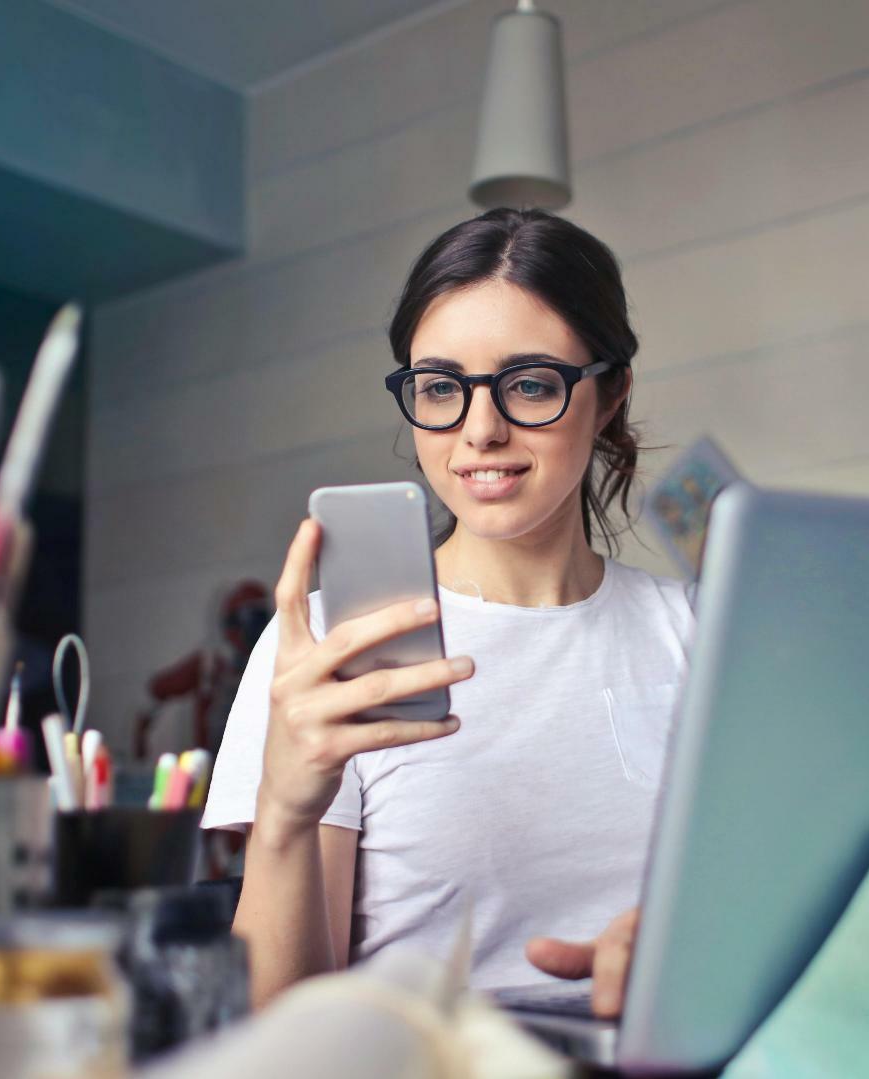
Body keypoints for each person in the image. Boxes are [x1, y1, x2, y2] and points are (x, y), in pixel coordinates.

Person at [203, 208, 695, 1019]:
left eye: (530, 383)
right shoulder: (331, 647)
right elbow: (280, 1037)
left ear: (610, 395)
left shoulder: (698, 635)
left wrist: (692, 951)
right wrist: (286, 811)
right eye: (440, 387)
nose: (480, 430)